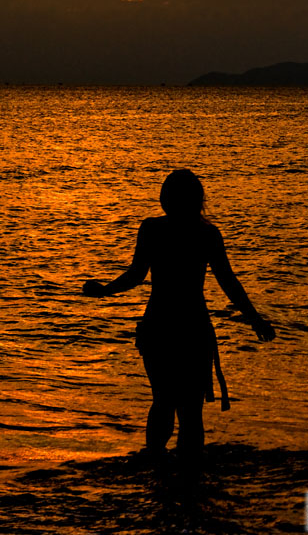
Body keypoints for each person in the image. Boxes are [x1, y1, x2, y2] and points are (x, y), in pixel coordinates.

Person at [83, 169, 275, 470]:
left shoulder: (153, 229)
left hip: (160, 326)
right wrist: (255, 320)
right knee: (189, 410)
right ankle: (188, 477)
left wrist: (105, 291)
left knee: (163, 402)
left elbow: (136, 275)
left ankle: (157, 469)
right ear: (198, 200)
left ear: (166, 199)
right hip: (192, 328)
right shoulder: (206, 234)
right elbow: (228, 282)